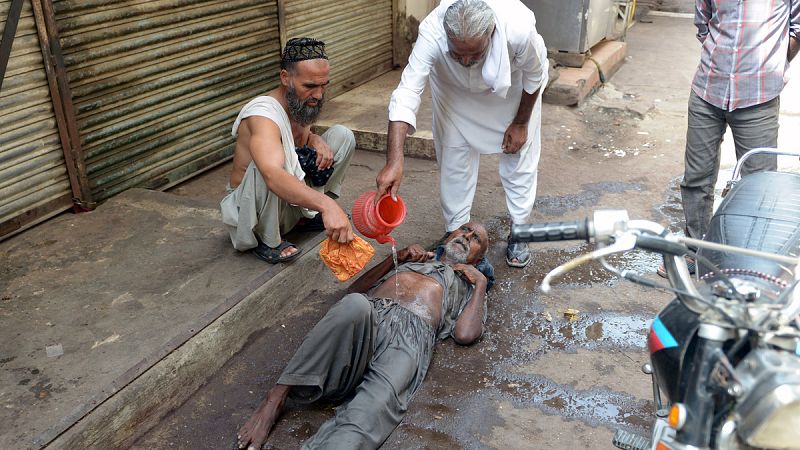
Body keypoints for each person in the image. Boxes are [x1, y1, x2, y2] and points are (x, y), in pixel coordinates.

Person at [235, 222, 491, 450]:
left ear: (479, 259)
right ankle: (275, 398)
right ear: (450, 234)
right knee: (354, 304)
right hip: (372, 316)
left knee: (374, 406)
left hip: (410, 338)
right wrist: (396, 258)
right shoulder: (416, 259)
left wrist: (480, 285)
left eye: (476, 238)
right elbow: (354, 290)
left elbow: (465, 334)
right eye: (465, 229)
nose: (467, 236)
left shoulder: (469, 284)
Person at [375, 0, 548, 268]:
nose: (466, 61)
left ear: (491, 34)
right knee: (453, 157)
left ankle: (520, 230)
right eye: (458, 54)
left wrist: (521, 122)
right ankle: (455, 229)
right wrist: (394, 160)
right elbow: (407, 91)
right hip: (453, 90)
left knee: (519, 158)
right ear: (447, 36)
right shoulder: (432, 32)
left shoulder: (518, 30)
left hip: (512, 91)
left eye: (475, 54)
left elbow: (534, 75)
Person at [664, 0, 800, 277]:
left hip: (758, 95)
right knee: (696, 178)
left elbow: (797, 29)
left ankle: (748, 262)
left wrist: (771, 61)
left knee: (760, 187)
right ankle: (696, 251)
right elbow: (703, 23)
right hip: (707, 89)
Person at [220, 37, 356, 264]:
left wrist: (314, 139)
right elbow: (273, 174)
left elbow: (296, 143)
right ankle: (268, 239)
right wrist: (328, 205)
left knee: (342, 136)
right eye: (310, 86)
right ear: (285, 78)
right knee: (269, 165)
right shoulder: (263, 115)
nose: (319, 95)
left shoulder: (301, 102)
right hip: (251, 213)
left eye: (323, 85)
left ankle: (304, 218)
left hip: (286, 203)